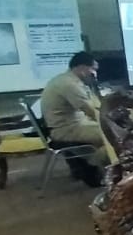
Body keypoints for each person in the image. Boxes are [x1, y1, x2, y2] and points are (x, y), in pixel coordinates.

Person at [39, 51, 107, 180]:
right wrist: (113, 123)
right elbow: (91, 111)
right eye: (93, 69)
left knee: (110, 132)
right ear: (82, 67)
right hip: (66, 129)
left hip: (70, 125)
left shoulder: (67, 80)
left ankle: (87, 167)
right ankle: (93, 169)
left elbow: (94, 107)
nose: (94, 73)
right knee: (113, 136)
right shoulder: (69, 85)